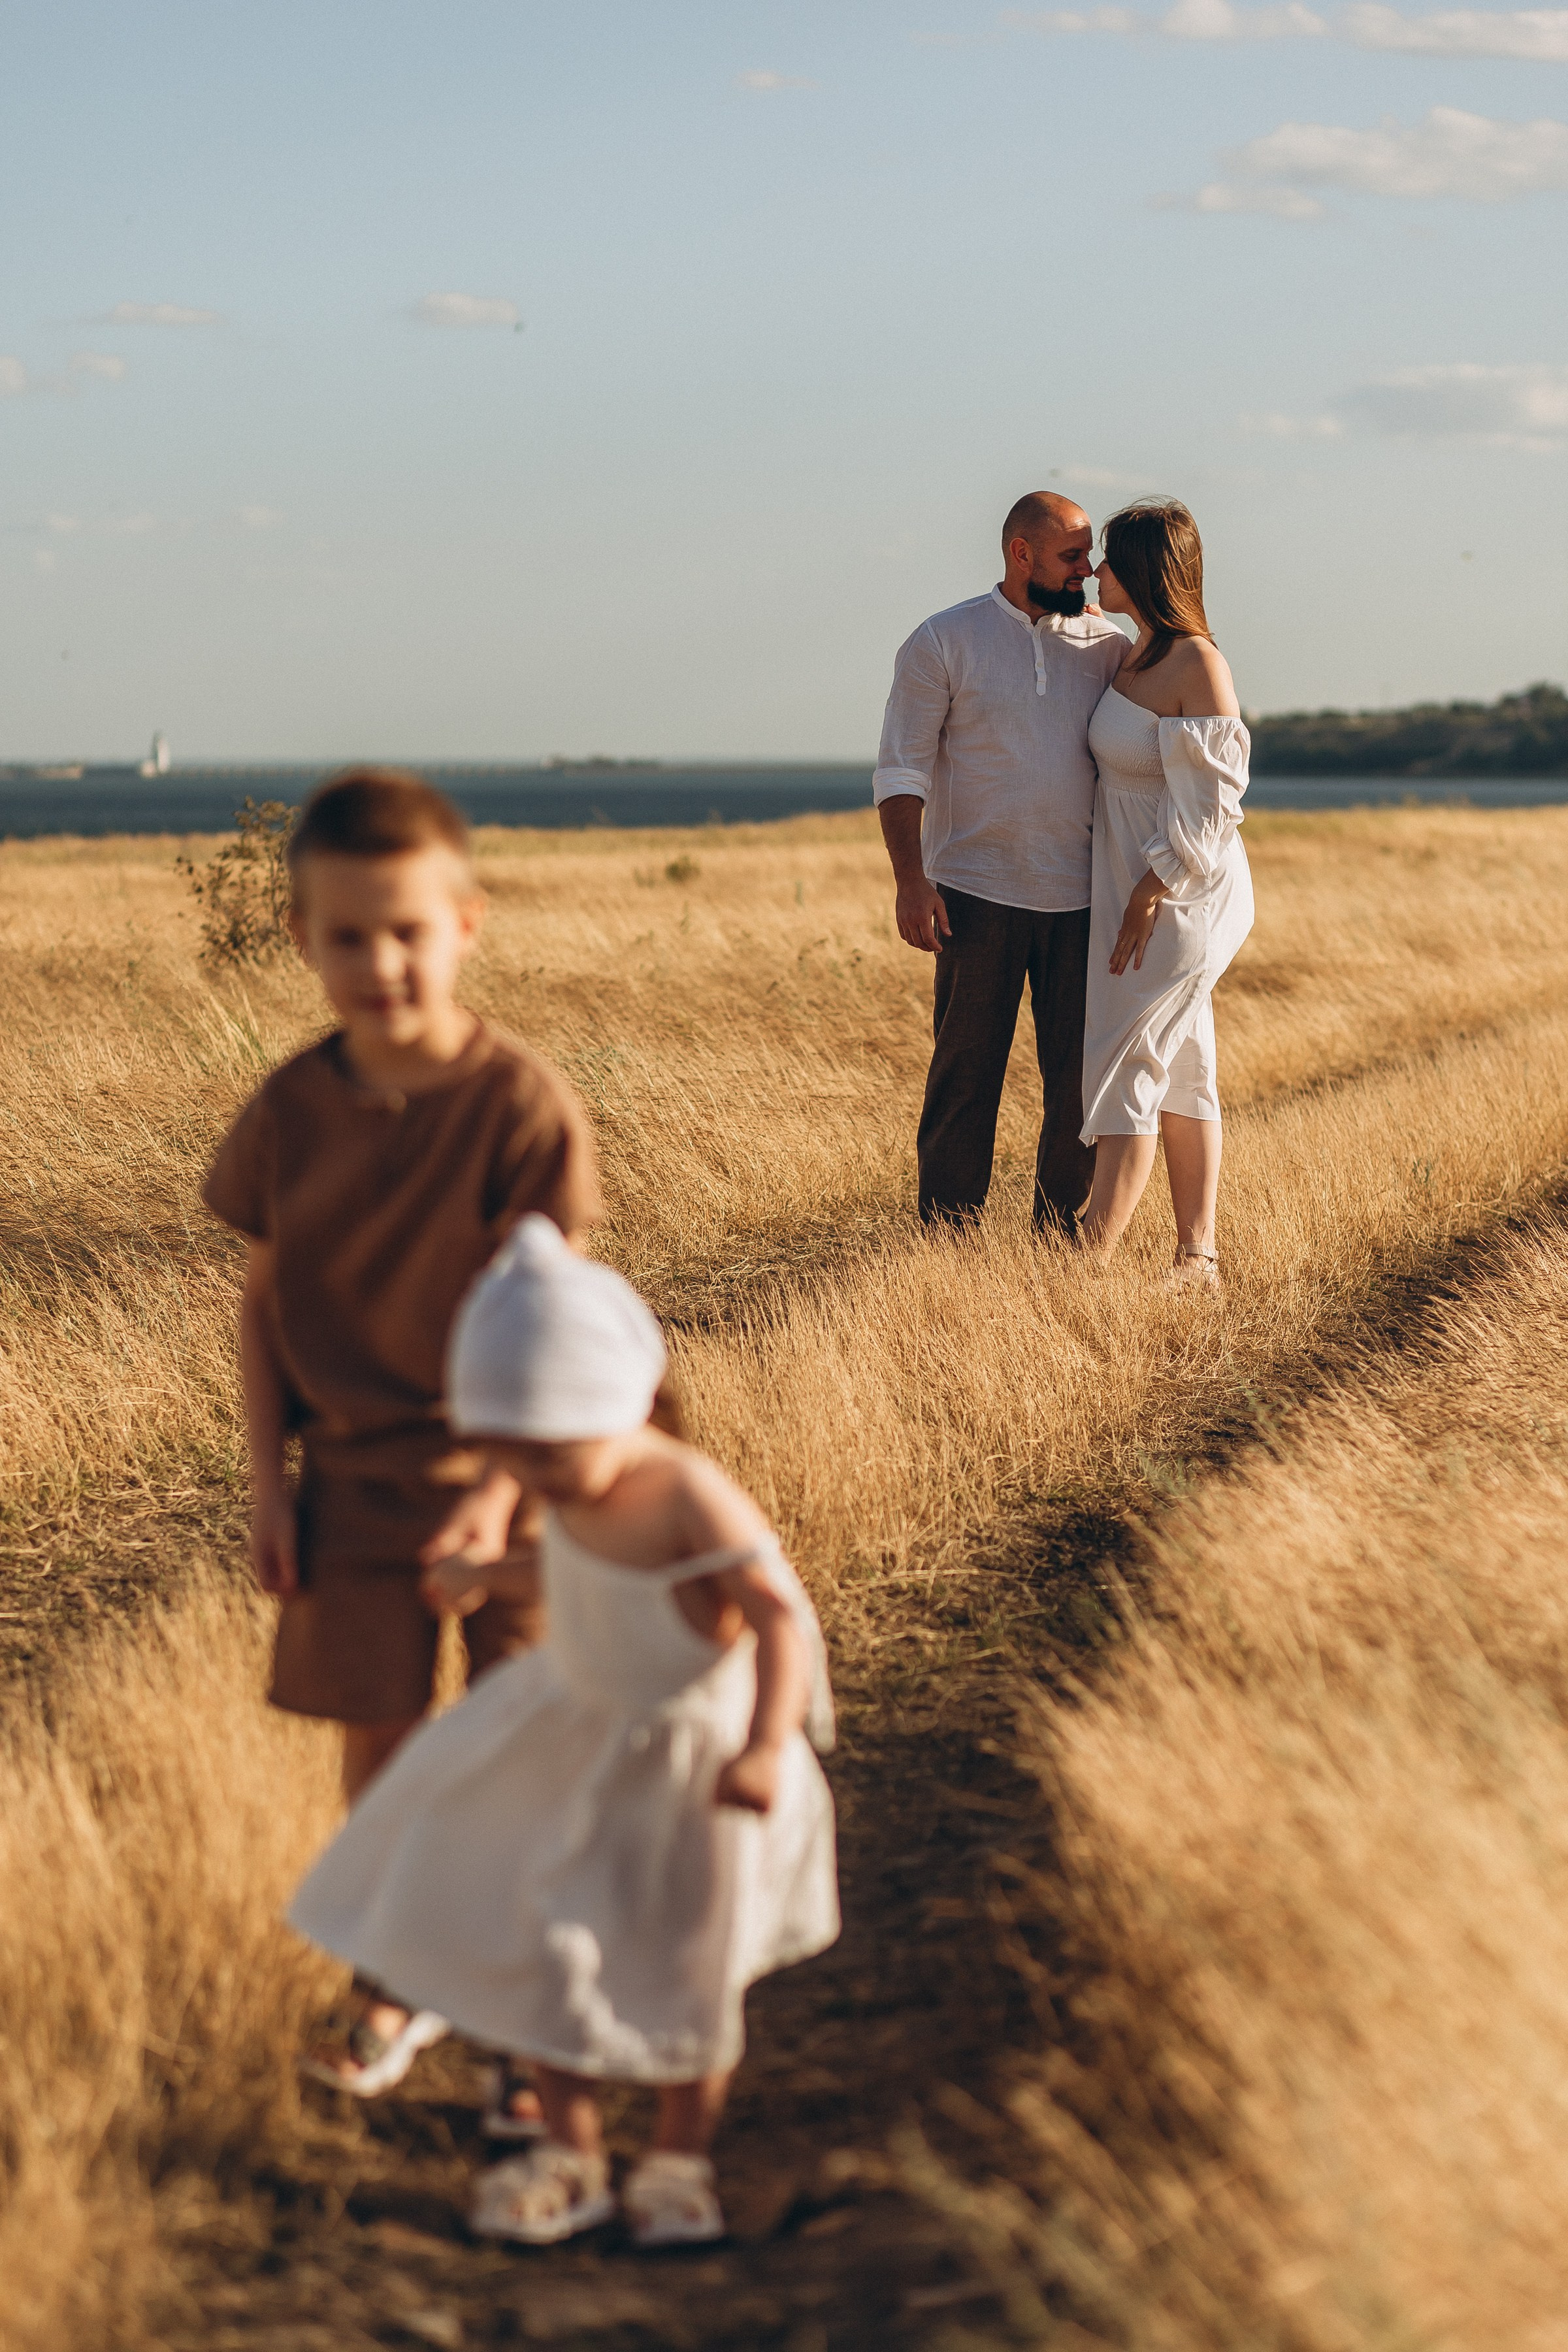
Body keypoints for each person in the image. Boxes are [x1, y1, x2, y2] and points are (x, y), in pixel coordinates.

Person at [289, 1215, 840, 2249]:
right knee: (544, 1937)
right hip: (578, 1733)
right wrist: (485, 1575)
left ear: (615, 1404)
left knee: (693, 1963)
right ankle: (571, 2152)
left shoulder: (684, 1491)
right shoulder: (569, 1487)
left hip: (695, 1757)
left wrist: (767, 1743)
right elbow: (576, 1571)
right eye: (512, 1460)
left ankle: (680, 2158)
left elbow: (776, 1612)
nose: (534, 1482)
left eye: (547, 1455)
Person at [203, 767, 602, 2100]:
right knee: (375, 1737)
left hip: (514, 1484)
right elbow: (263, 1312)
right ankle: (392, 1978)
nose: (381, 963)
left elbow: (548, 1335)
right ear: (305, 941)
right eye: (347, 937)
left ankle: (517, 2009)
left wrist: (494, 1502)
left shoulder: (521, 1107)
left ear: (466, 924)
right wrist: (268, 1487)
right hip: (351, 1483)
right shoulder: (289, 1112)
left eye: (408, 931)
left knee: (516, 1734)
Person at [873, 491, 1129, 1233]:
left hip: (1083, 902)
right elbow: (902, 771)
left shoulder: (1108, 646)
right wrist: (911, 882)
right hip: (972, 897)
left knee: (1079, 1087)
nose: (1088, 570)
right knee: (965, 1080)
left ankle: (1062, 1241)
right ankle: (948, 1239)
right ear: (1022, 554)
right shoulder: (943, 640)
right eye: (1073, 556)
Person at [1078, 500, 1254, 1288]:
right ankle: (1198, 1258)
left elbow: (1217, 805)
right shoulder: (1132, 651)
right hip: (1132, 882)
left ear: (1145, 571)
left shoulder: (1197, 664)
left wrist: (1152, 890)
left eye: (1108, 559)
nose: (1094, 571)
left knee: (1132, 1063)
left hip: (1177, 893)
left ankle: (1087, 1258)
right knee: (1183, 1065)